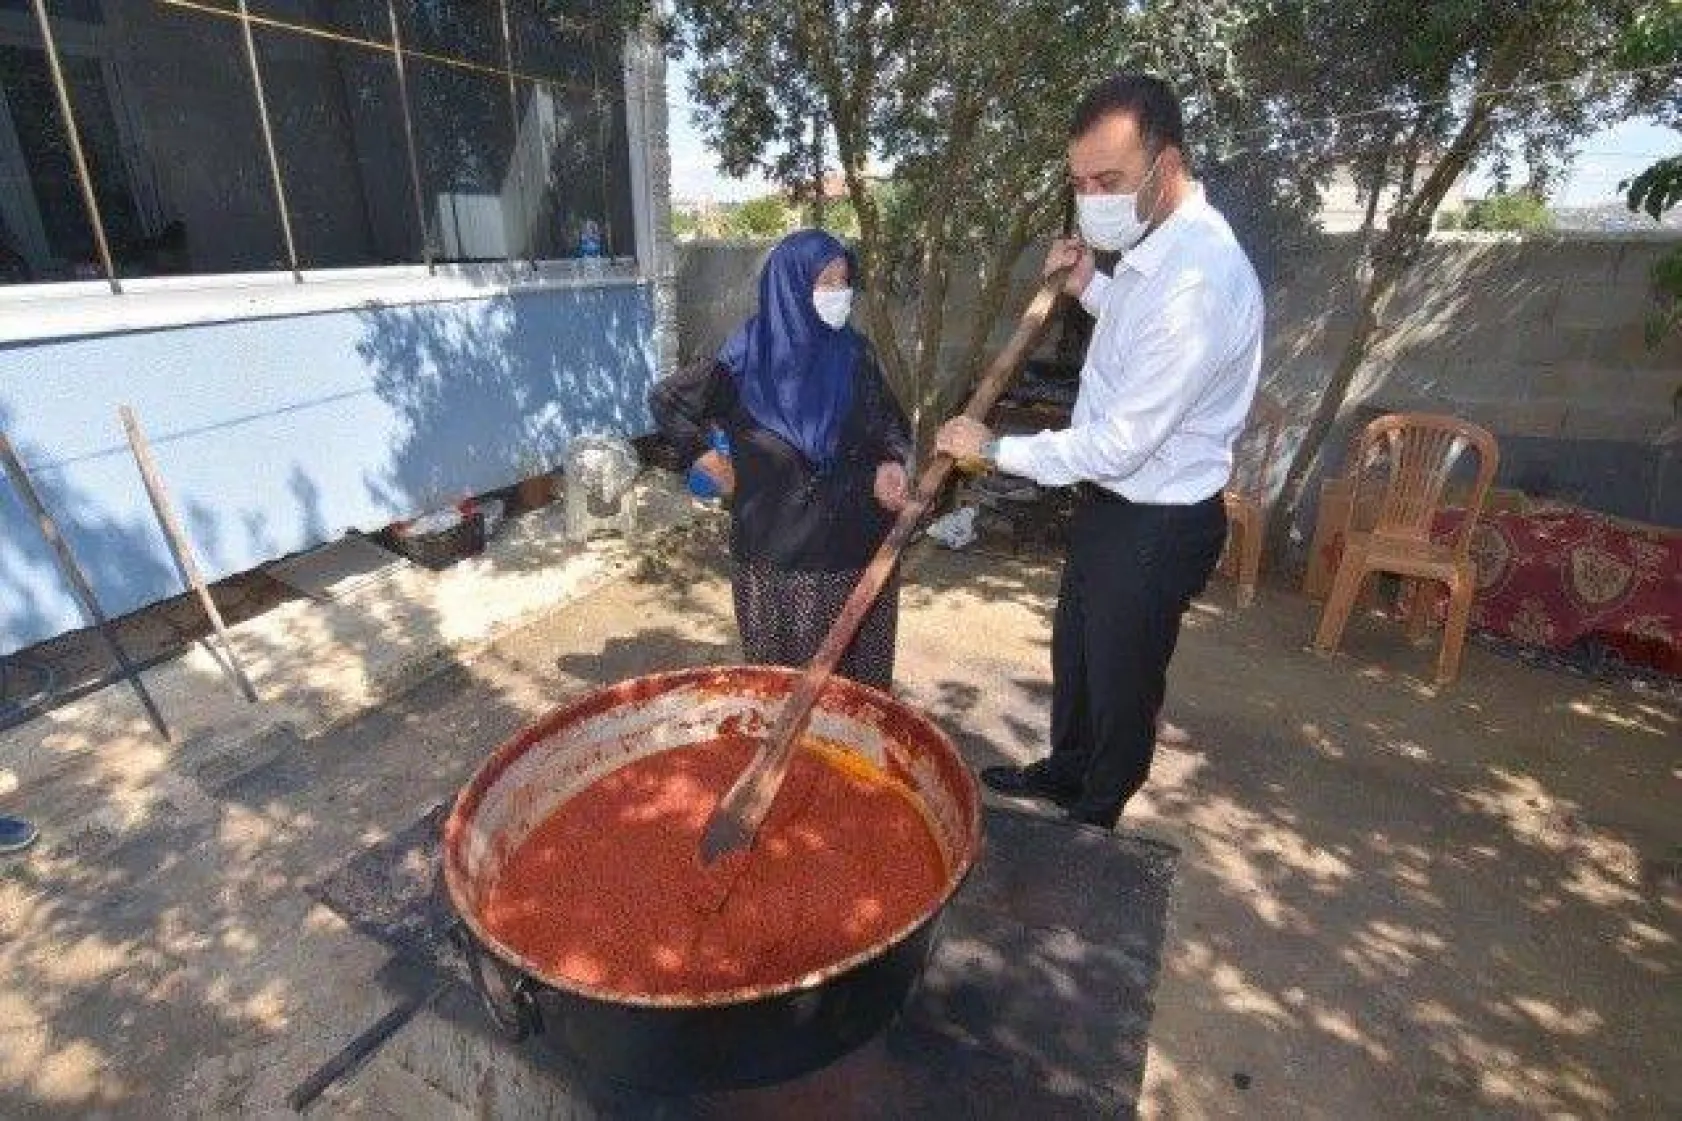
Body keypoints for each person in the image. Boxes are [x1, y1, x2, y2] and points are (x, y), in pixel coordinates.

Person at [936, 73, 1263, 829]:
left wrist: (994, 450)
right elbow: (1135, 330)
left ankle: (1096, 814)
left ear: (1167, 167)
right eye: (1080, 181)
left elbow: (1120, 443)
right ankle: (1065, 768)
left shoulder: (1200, 279)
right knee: (1079, 652)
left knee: (1122, 677)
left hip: (1158, 519)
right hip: (1117, 506)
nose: (1092, 197)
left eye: (1108, 180)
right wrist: (1089, 284)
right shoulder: (1160, 256)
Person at [651, 229, 913, 691]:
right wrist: (702, 455)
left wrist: (892, 461)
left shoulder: (854, 354)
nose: (840, 293)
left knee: (860, 700)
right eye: (826, 282)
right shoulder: (744, 359)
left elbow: (889, 424)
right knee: (789, 697)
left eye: (844, 280)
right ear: (790, 286)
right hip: (781, 571)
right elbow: (668, 400)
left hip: (858, 555)